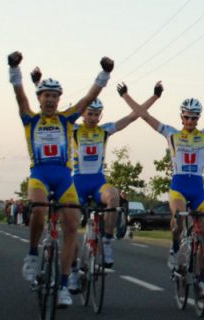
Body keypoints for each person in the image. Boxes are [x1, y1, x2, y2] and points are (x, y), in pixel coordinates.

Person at [118, 81, 204, 283]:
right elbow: (145, 116)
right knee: (179, 220)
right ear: (181, 117)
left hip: (197, 188)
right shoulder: (172, 134)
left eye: (194, 117)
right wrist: (126, 95)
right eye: (186, 117)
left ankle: (202, 275)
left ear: (198, 118)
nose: (190, 121)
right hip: (179, 187)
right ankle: (174, 251)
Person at [7, 50, 114, 307]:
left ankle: (65, 284)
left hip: (65, 179)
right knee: (39, 210)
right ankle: (33, 254)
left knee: (70, 227)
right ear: (40, 98)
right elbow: (19, 95)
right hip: (40, 176)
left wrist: (105, 73)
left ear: (59, 99)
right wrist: (14, 69)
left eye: (55, 96)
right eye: (47, 96)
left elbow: (90, 97)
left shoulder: (68, 119)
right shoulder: (30, 119)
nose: (51, 100)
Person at [68, 80, 162, 290]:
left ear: (100, 116)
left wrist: (154, 97)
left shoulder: (105, 130)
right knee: (71, 228)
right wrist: (37, 82)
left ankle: (107, 242)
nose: (92, 118)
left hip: (97, 182)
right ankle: (73, 272)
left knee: (114, 196)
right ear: (82, 115)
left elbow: (133, 116)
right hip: (77, 183)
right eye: (89, 114)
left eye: (96, 114)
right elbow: (52, 116)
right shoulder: (72, 129)